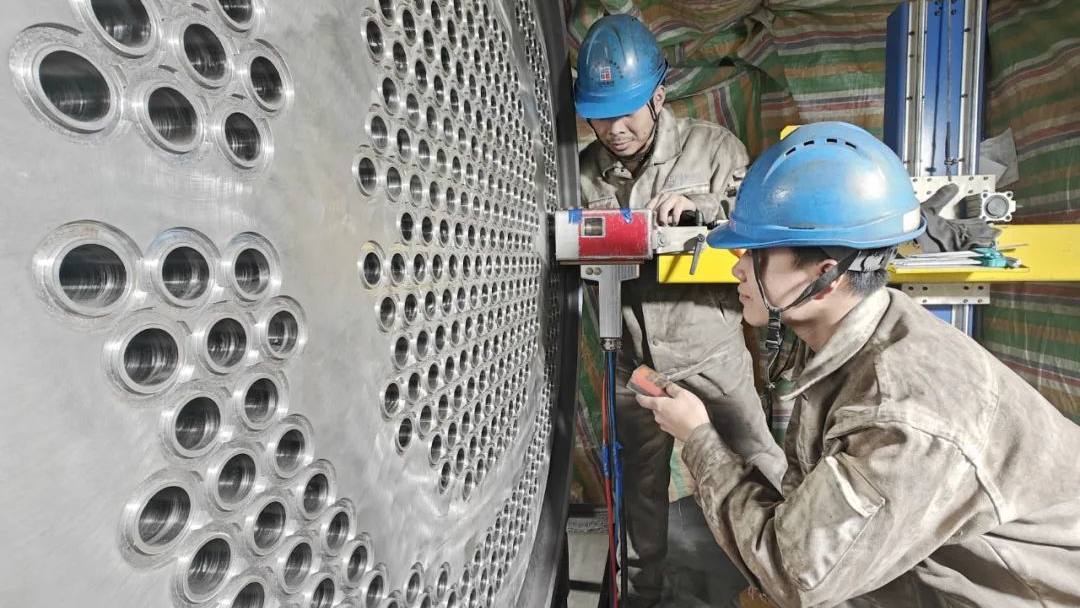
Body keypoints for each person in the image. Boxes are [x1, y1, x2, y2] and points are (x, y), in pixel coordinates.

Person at [636, 121, 1080, 606]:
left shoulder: (901, 417)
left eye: (757, 253)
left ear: (825, 275)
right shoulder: (852, 335)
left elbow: (793, 577)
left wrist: (699, 438)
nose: (738, 267)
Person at [574, 14, 784, 606]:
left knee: (757, 461)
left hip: (711, 354)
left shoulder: (713, 148)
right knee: (638, 491)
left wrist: (702, 206)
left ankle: (782, 583)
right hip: (630, 364)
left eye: (627, 112)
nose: (614, 129)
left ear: (658, 96)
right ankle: (639, 595)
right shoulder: (582, 172)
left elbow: (756, 221)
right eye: (600, 114)